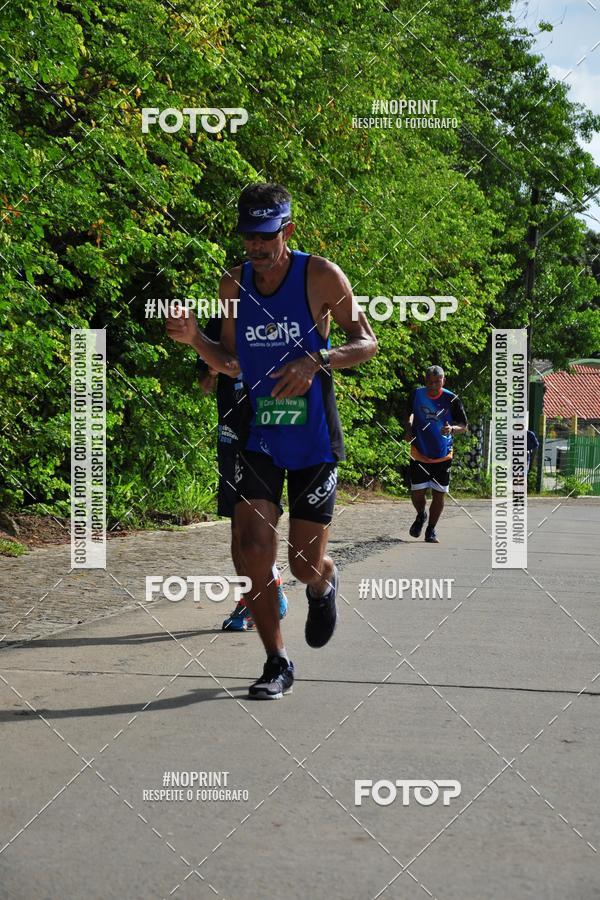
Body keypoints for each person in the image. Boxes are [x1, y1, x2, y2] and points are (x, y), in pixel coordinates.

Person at [166, 182, 377, 699]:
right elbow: (231, 362)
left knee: (304, 564)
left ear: (287, 230)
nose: (255, 248)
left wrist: (316, 359)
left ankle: (324, 583)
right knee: (254, 548)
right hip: (259, 436)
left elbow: (367, 341)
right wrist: (197, 340)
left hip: (313, 439)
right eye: (248, 238)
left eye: (265, 237)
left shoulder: (322, 276)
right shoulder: (233, 284)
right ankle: (276, 661)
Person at [194, 316, 288, 631]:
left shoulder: (279, 317)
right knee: (238, 527)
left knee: (258, 523)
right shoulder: (218, 322)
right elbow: (204, 382)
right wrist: (212, 367)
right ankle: (265, 585)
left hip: (268, 434)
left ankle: (256, 599)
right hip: (231, 435)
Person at [403, 366, 468, 543]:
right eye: (430, 382)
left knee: (439, 493)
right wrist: (408, 429)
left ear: (443, 381)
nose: (433, 385)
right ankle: (421, 514)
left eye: (437, 382)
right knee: (417, 493)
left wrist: (452, 429)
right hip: (419, 450)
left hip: (442, 454)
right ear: (425, 381)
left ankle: (431, 530)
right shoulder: (416, 394)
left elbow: (464, 425)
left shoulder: (451, 398)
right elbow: (408, 415)